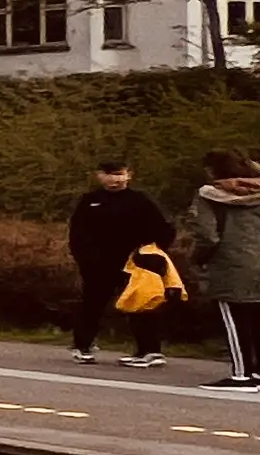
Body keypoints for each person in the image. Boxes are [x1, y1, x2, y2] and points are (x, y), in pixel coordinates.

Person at [68, 158, 179, 362]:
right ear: (99, 176)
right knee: (93, 304)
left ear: (129, 175)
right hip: (98, 263)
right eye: (109, 175)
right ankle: (83, 345)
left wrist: (153, 252)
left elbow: (165, 228)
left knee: (142, 303)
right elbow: (77, 234)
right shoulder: (90, 200)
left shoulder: (140, 200)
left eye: (119, 174)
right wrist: (84, 259)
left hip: (135, 263)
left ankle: (150, 350)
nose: (114, 180)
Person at [180, 150, 260, 388]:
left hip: (231, 264)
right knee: (257, 319)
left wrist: (197, 259)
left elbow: (208, 236)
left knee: (234, 320)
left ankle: (241, 373)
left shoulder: (209, 196)